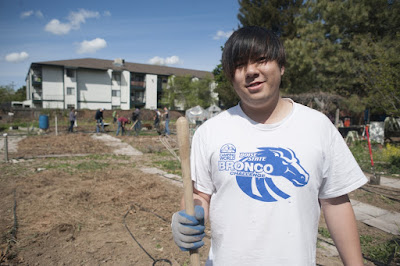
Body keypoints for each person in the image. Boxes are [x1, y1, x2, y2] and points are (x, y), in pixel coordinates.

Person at [171, 26, 367, 265]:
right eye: (240, 65)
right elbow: (200, 194)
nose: (251, 71)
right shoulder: (211, 131)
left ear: (281, 66)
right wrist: (190, 213)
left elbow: (335, 202)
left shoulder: (317, 126)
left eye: (261, 60)